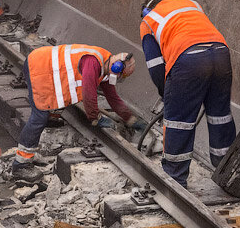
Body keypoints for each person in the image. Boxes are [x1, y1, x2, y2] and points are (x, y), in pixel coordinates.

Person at [139, 0, 235, 187]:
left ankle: (175, 178)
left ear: (145, 11)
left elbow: (156, 66)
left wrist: (167, 94)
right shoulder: (191, 4)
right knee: (220, 115)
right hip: (221, 53)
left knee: (179, 122)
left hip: (188, 58)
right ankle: (227, 170)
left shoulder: (148, 21)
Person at [11, 43, 142, 182]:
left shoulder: (106, 64)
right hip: (40, 66)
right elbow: (88, 94)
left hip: (48, 66)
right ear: (117, 68)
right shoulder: (93, 62)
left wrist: (131, 119)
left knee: (62, 96)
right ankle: (20, 165)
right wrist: (95, 117)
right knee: (39, 117)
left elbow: (113, 97)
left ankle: (50, 118)